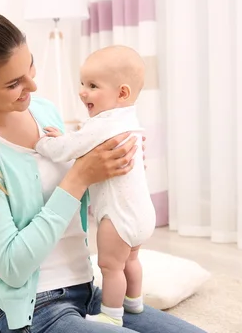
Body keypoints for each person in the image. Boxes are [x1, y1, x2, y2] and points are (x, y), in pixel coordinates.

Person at [0, 10, 206, 333]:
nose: (33, 85)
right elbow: (13, 267)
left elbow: (74, 200)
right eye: (14, 83)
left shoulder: (43, 111)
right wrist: (81, 175)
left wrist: (116, 169)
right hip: (38, 313)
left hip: (89, 293)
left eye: (29, 65)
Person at [34, 45, 156, 327]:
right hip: (142, 215)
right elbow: (87, 143)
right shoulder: (128, 120)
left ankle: (111, 315)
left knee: (111, 266)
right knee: (131, 261)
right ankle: (134, 303)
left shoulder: (102, 123)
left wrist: (44, 143)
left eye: (92, 85)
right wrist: (71, 135)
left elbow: (68, 148)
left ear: (122, 93)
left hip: (118, 219)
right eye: (82, 84)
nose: (82, 92)